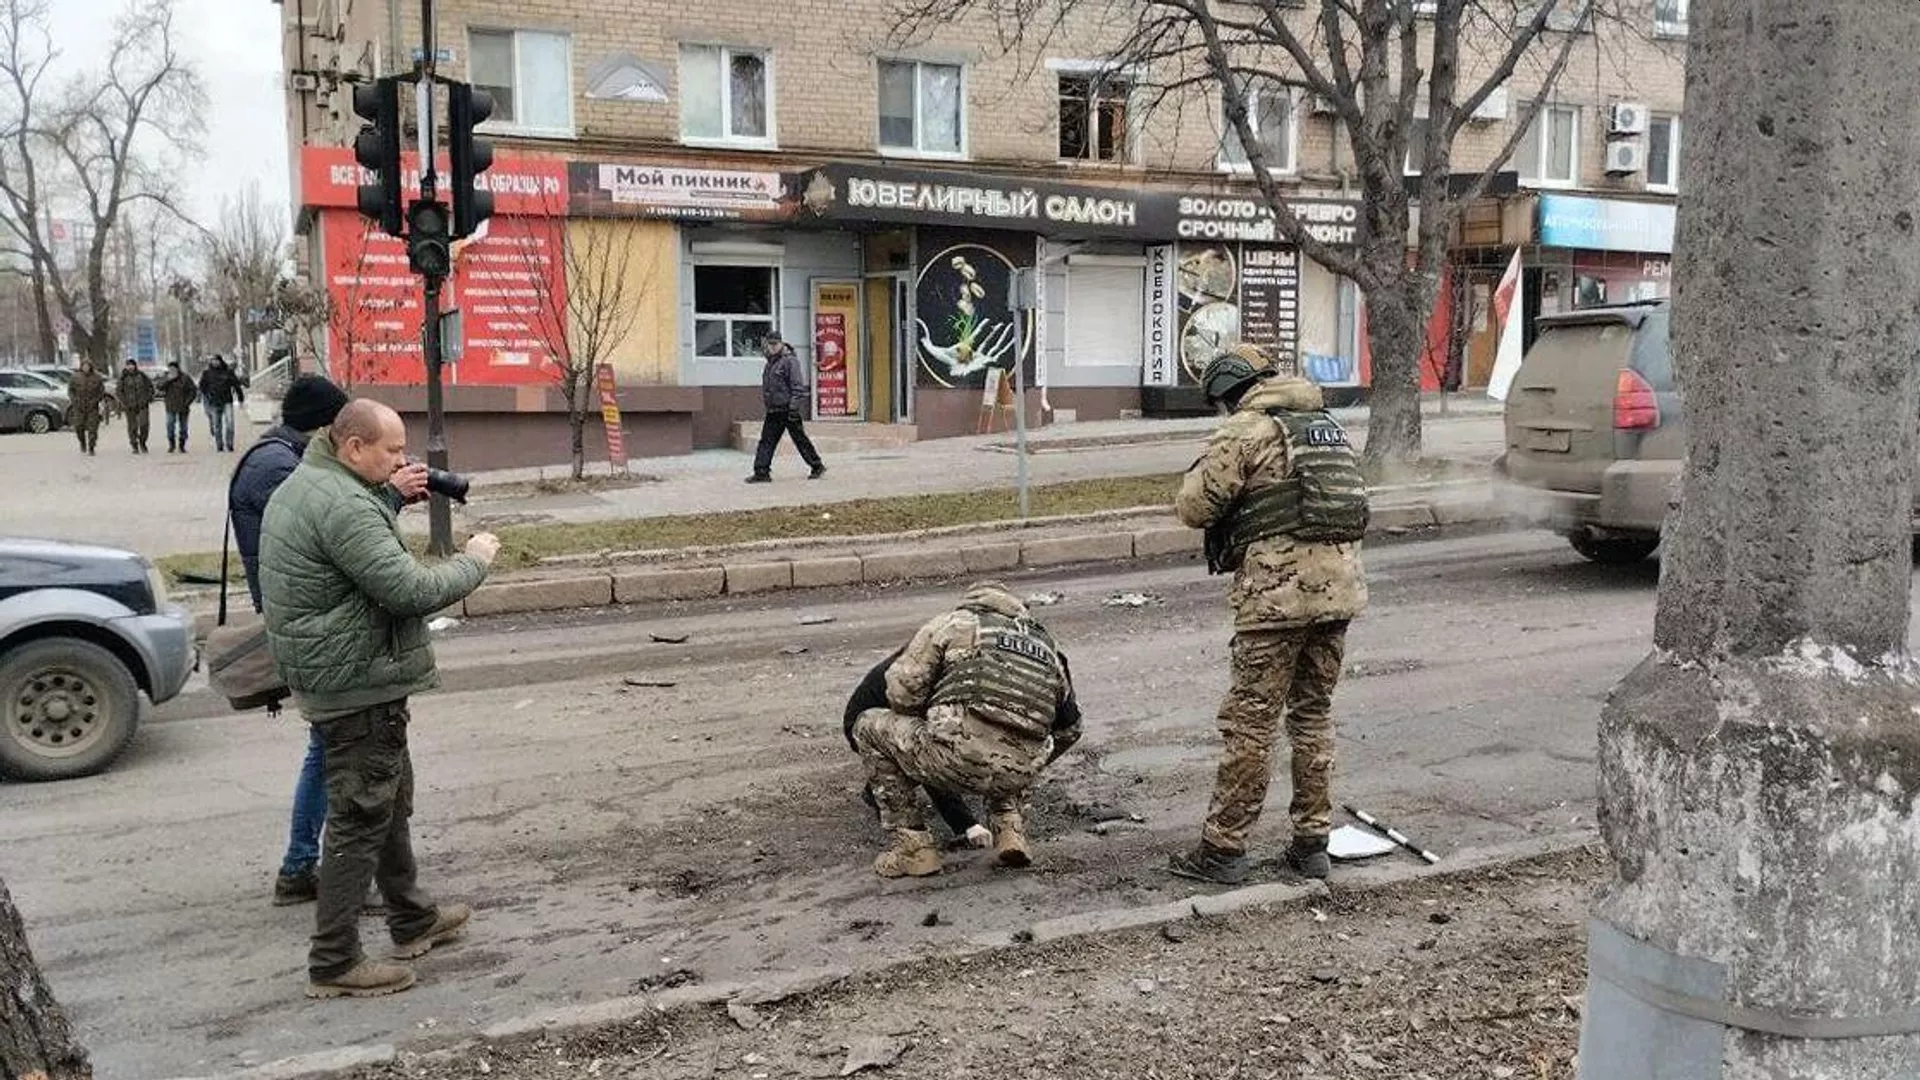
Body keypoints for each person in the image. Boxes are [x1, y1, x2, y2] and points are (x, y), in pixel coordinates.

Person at [258, 398, 498, 998]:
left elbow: (347, 550)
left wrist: (390, 497)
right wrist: (474, 563)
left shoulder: (313, 482)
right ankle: (335, 960)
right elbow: (407, 588)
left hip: (345, 672)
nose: (401, 460)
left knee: (385, 802)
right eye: (391, 451)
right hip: (357, 682)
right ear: (354, 448)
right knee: (360, 816)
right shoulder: (342, 504)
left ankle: (412, 918)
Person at [1166, 343, 1369, 886]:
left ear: (1229, 392)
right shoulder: (1324, 423)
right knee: (1312, 716)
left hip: (1277, 599)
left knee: (1250, 724)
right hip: (1338, 593)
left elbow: (1193, 506)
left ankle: (1223, 851)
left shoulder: (1247, 429)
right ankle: (1311, 846)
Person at [230, 375, 429, 907]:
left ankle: (386, 898)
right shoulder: (283, 471)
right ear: (334, 433)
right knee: (341, 765)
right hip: (319, 632)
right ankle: (305, 871)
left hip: (310, 621)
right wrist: (388, 497)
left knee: (342, 759)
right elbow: (343, 541)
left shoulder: (279, 462)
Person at [849, 582, 1078, 877]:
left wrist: (936, 716)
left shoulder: (951, 625)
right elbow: (1070, 729)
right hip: (1017, 772)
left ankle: (913, 848)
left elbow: (902, 693)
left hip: (953, 760)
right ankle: (1010, 828)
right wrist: (1030, 764)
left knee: (868, 725)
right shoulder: (1047, 645)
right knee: (1010, 738)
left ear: (972, 602)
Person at [845, 642, 1084, 851]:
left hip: (921, 717)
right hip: (875, 717)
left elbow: (1068, 723)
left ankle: (1006, 823)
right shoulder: (950, 660)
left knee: (1006, 745)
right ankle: (910, 842)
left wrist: (1019, 765)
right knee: (936, 753)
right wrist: (966, 824)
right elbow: (932, 745)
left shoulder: (1034, 654)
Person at [746, 331, 825, 484]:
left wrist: (794, 408)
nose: (773, 347)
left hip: (788, 409)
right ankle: (761, 472)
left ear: (781, 343)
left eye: (775, 344)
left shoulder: (790, 361)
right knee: (766, 441)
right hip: (774, 410)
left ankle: (817, 466)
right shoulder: (771, 362)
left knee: (800, 439)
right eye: (770, 344)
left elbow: (797, 387)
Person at [199, 355, 246, 452]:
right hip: (214, 401)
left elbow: (236, 385)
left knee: (230, 423)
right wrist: (207, 395)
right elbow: (202, 386)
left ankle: (229, 444)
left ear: (220, 361)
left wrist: (241, 399)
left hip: (227, 401)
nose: (215, 362)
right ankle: (219, 445)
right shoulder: (207, 373)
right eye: (213, 361)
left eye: (216, 360)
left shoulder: (228, 372)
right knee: (217, 425)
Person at [116, 359, 155, 454]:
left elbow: (150, 387)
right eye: (128, 365)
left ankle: (142, 442)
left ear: (135, 366)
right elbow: (119, 391)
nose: (130, 367)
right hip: (130, 406)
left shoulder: (142, 375)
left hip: (142, 404)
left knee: (144, 425)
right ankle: (134, 445)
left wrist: (148, 398)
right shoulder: (123, 378)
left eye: (132, 365)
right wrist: (124, 402)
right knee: (132, 427)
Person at [68, 360, 106, 456]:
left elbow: (101, 391)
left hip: (92, 407)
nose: (86, 368)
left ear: (90, 367)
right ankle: (82, 442)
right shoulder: (75, 377)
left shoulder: (97, 377)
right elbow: (70, 390)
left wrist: (96, 400)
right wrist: (74, 401)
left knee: (93, 428)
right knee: (78, 426)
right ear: (81, 367)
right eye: (84, 366)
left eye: (87, 366)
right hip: (79, 407)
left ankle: (91, 447)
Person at [160, 360, 198, 452]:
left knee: (183, 427)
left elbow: (193, 390)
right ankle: (171, 443)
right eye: (170, 368)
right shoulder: (166, 377)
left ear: (177, 368)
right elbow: (160, 387)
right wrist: (169, 380)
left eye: (173, 368)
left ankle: (182, 445)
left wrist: (187, 402)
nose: (172, 370)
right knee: (170, 424)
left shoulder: (185, 377)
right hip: (170, 406)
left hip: (183, 406)